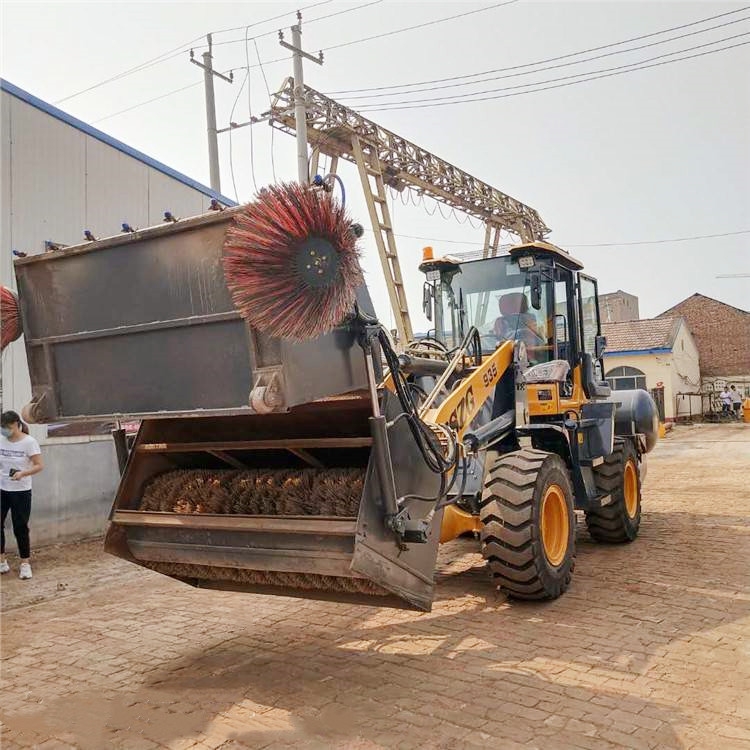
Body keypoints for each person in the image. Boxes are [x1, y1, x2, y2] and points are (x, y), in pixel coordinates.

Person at [0, 410, 43, 580]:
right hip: (2, 489)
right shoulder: (1, 440)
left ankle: (25, 563)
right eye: (2, 427)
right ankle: (2, 561)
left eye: (8, 427)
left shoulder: (29, 442)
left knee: (20, 527)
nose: (5, 431)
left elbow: (39, 465)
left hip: (21, 491)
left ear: (17, 425)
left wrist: (23, 473)